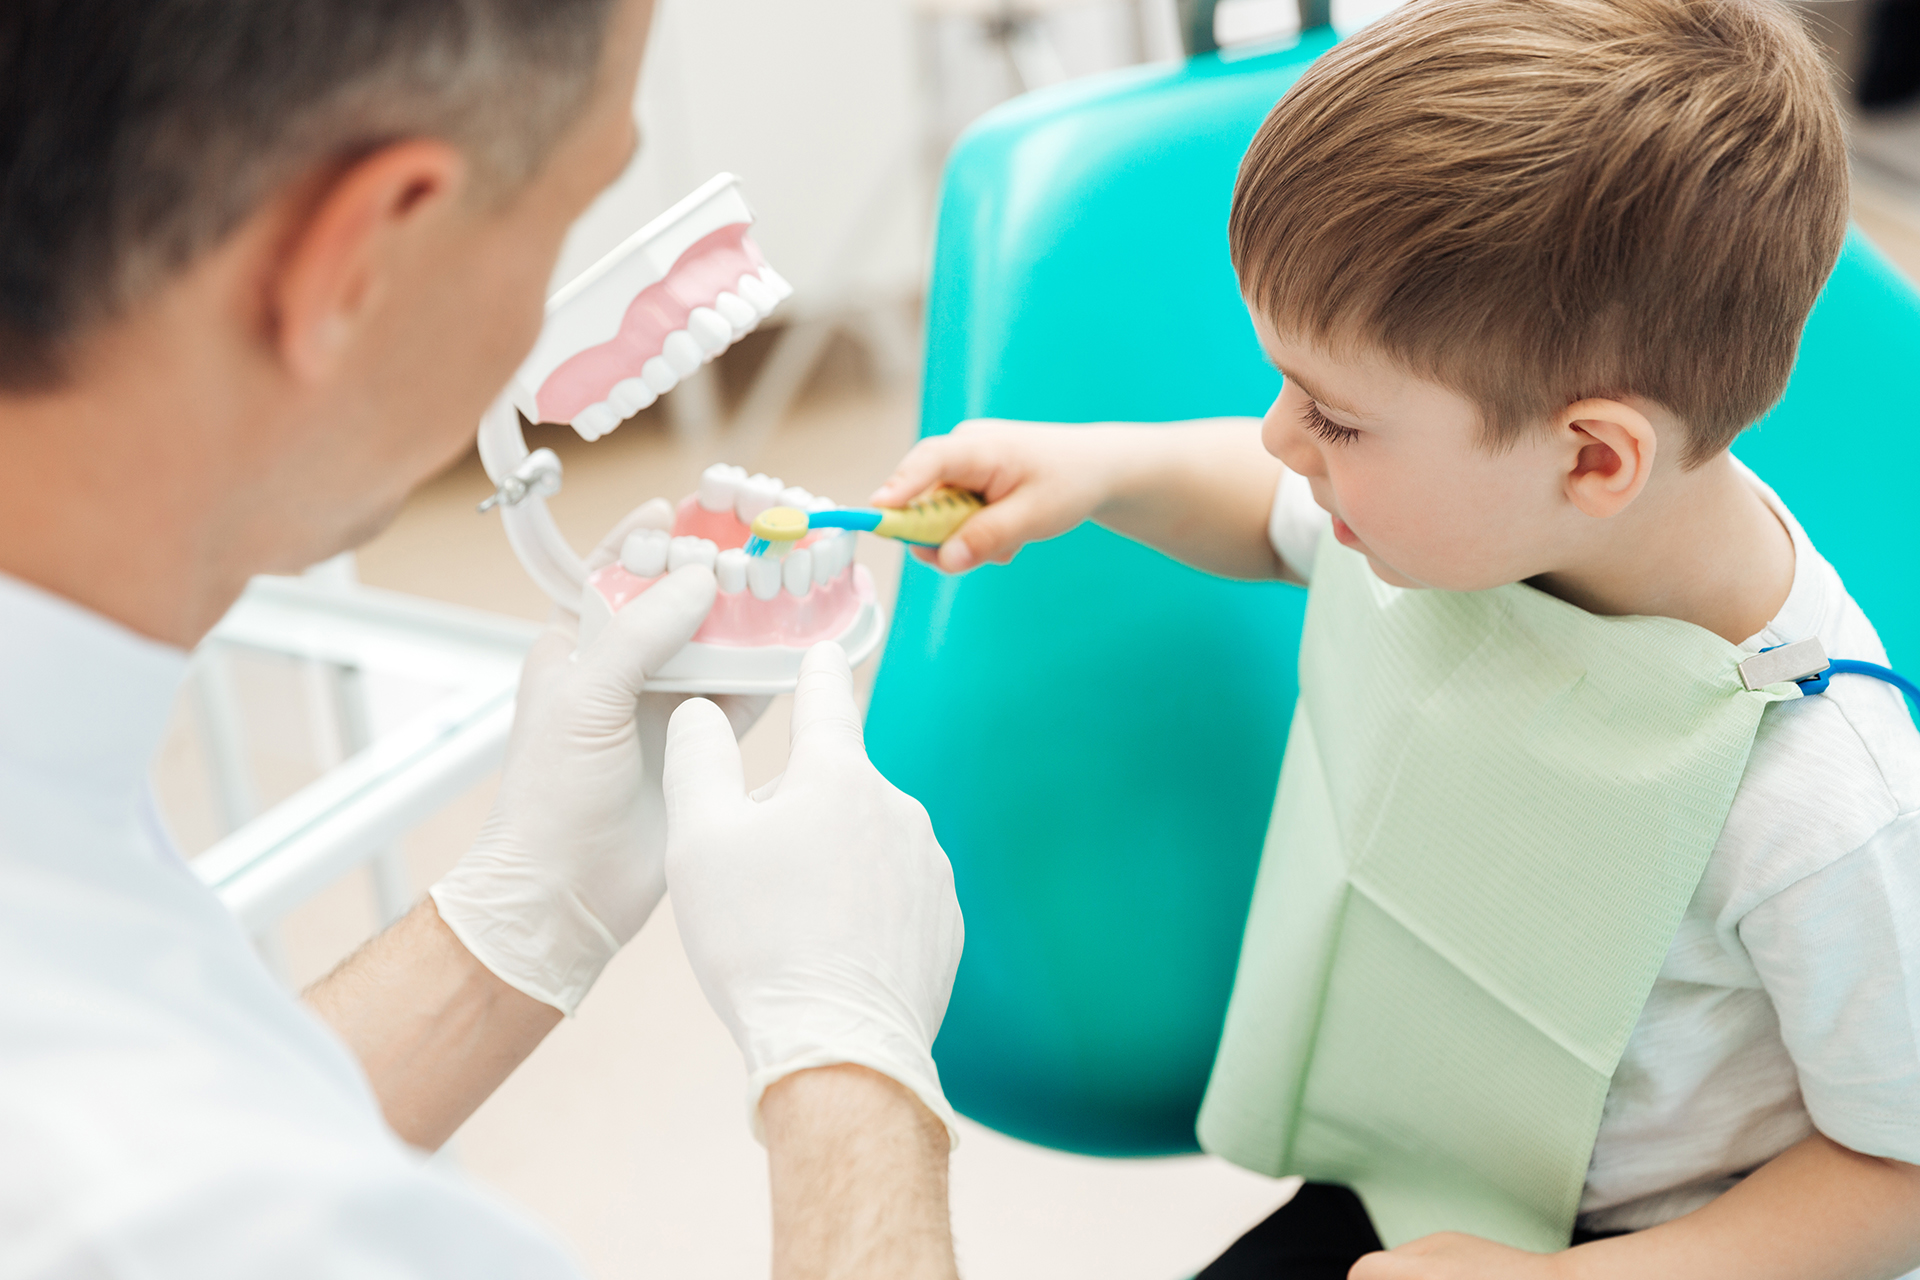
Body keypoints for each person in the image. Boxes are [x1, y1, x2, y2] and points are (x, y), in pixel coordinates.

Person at [872, 0, 1920, 1276]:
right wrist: (1104, 469)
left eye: (1336, 416)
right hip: (1430, 1160)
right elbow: (1269, 508)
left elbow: (1897, 1169)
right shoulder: (1480, 520)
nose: (1278, 441)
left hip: (1663, 1242)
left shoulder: (1821, 804)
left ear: (1592, 455)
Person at [0, 2, 963, 1276]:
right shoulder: (188, 1208)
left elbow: (184, 1085)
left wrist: (515, 920)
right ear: (362, 257)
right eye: (567, 210)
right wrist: (850, 1066)